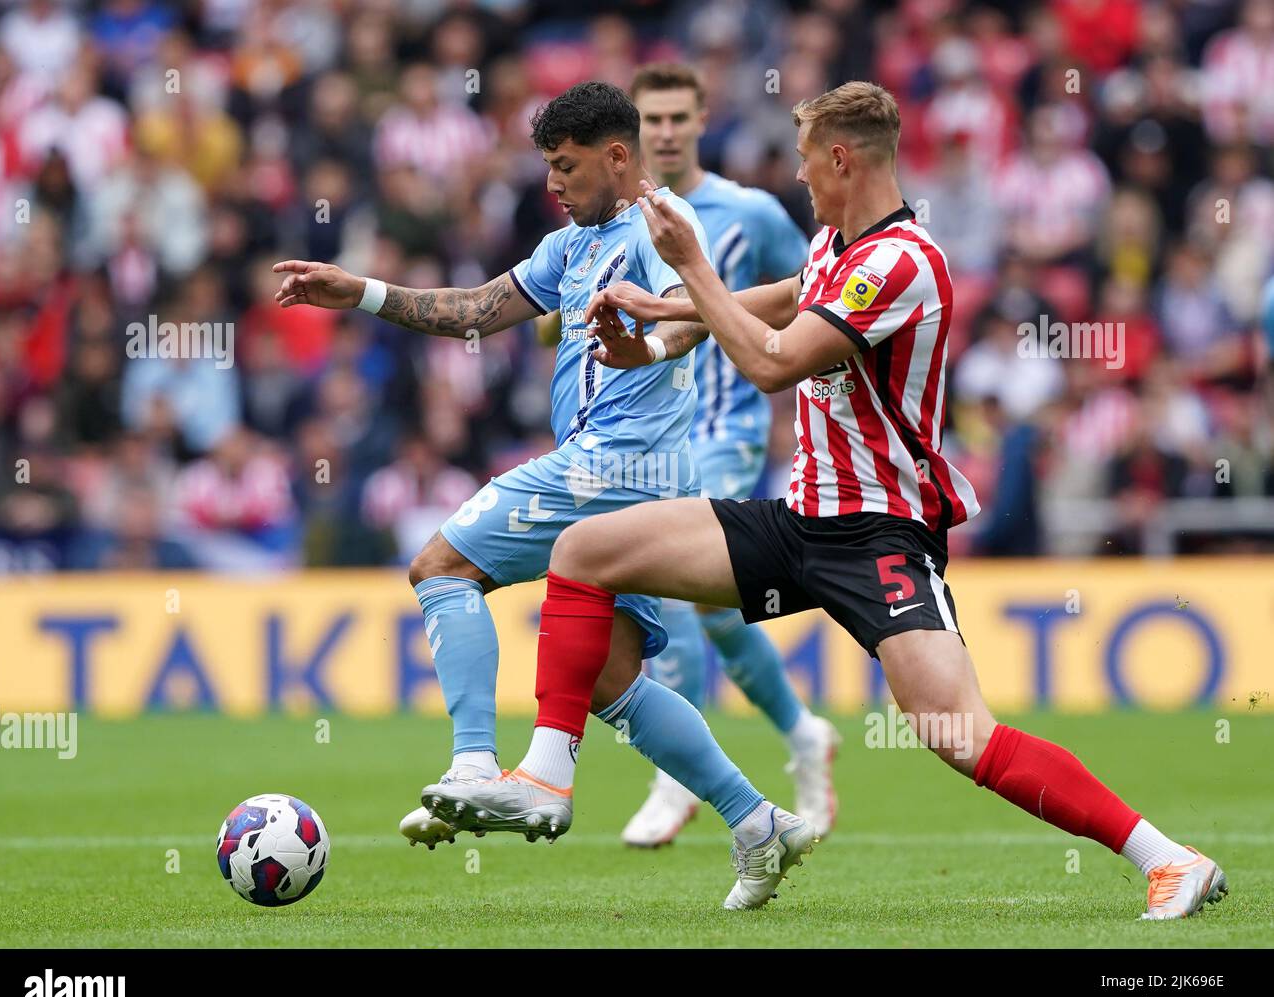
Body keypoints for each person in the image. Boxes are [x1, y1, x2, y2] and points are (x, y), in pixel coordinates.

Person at [445, 82, 1228, 921]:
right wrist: (665, 313)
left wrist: (690, 271)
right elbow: (779, 302)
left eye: (807, 160)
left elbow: (777, 359)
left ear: (843, 158)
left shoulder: (902, 262)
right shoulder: (836, 245)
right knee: (584, 552)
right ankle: (552, 776)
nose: (801, 175)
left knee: (958, 735)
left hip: (880, 538)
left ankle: (1168, 858)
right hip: (800, 520)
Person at [274, 81, 816, 910]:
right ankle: (757, 822)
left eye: (566, 168)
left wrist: (653, 344)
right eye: (548, 169)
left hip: (614, 466)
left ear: (618, 157)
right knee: (610, 680)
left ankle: (474, 763)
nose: (554, 185)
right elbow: (473, 310)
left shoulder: (661, 222)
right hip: (641, 475)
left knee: (440, 566)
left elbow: (689, 317)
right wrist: (364, 293)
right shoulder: (571, 244)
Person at [621, 62, 838, 848]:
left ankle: (677, 773)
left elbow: (812, 289)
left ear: (703, 118)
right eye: (653, 120)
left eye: (680, 116)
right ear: (633, 130)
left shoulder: (749, 213)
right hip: (647, 439)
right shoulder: (614, 220)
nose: (667, 131)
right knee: (714, 608)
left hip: (728, 429)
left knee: (666, 577)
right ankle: (803, 731)